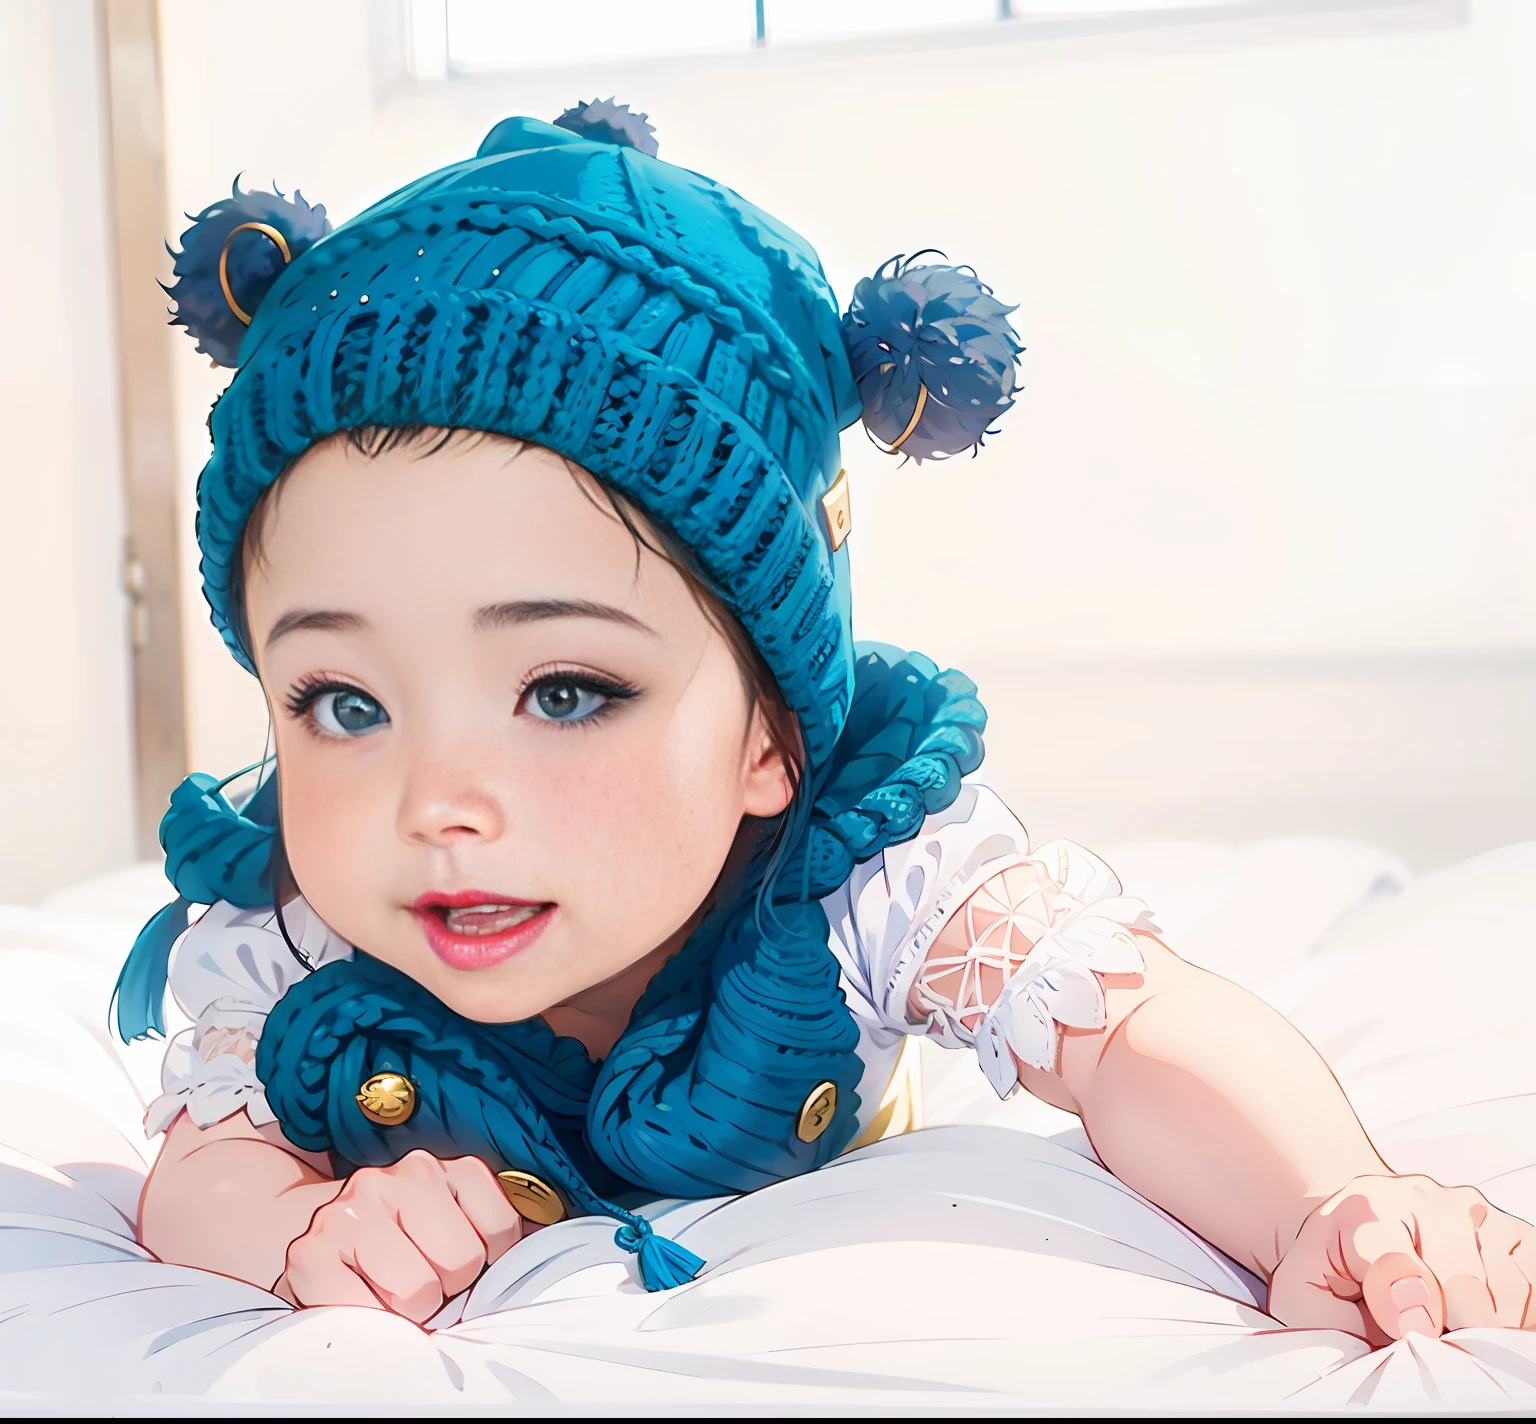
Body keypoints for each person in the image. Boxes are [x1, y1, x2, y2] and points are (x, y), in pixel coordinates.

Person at [118, 99, 1534, 1343]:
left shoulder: (860, 879)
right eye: (343, 702)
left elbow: (1137, 1034)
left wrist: (1330, 1202)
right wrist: (301, 1238)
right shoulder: (299, 928)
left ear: (771, 741)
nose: (437, 799)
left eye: (565, 692)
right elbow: (203, 1173)